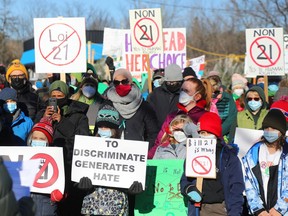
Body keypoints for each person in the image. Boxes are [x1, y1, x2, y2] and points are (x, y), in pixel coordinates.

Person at [78, 103, 143, 215]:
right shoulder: (89, 148)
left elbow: (131, 172)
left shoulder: (126, 149)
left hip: (117, 205)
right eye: (101, 126)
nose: (103, 130)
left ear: (115, 129)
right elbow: (81, 169)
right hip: (92, 204)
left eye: (107, 127)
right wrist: (81, 183)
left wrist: (134, 187)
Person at [37, 80, 90, 215]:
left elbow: (83, 140)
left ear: (66, 97)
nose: (56, 100)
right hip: (47, 171)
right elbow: (33, 138)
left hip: (70, 170)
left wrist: (62, 121)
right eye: (53, 97)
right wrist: (44, 120)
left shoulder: (79, 116)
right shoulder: (41, 114)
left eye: (60, 97)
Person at [181, 112, 244, 216]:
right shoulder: (193, 153)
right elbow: (184, 180)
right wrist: (189, 189)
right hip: (197, 208)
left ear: (215, 134)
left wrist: (234, 212)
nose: (204, 136)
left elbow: (236, 188)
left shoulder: (228, 157)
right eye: (201, 133)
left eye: (208, 133)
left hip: (219, 208)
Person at [148, 77, 209, 159]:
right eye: (182, 90)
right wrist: (148, 160)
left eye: (186, 91)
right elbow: (159, 142)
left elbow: (210, 145)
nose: (182, 93)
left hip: (194, 163)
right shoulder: (172, 116)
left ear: (197, 96)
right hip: (170, 164)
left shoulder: (206, 117)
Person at [242, 109, 288, 215]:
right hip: (261, 212)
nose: (269, 131)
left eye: (273, 128)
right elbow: (249, 183)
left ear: (281, 131)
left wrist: (279, 209)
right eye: (266, 128)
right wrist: (258, 209)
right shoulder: (253, 153)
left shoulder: (286, 153)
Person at [105, 68, 159, 152]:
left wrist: (144, 152)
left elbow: (153, 133)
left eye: (124, 81)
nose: (120, 85)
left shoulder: (144, 107)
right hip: (113, 154)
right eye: (116, 82)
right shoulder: (108, 105)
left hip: (136, 155)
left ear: (130, 82)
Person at [28, 116, 63, 216]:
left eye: (42, 139)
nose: (37, 141)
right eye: (35, 138)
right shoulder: (23, 156)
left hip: (46, 205)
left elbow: (60, 181)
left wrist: (59, 192)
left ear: (48, 141)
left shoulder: (57, 158)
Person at [147, 63, 183, 128]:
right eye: (169, 82)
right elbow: (148, 114)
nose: (171, 84)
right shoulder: (156, 93)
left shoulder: (184, 94)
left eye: (174, 82)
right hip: (159, 132)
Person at [207, 74, 237, 139]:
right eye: (208, 86)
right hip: (207, 135)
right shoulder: (206, 99)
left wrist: (218, 132)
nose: (211, 88)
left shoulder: (227, 98)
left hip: (224, 136)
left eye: (213, 85)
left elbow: (231, 119)